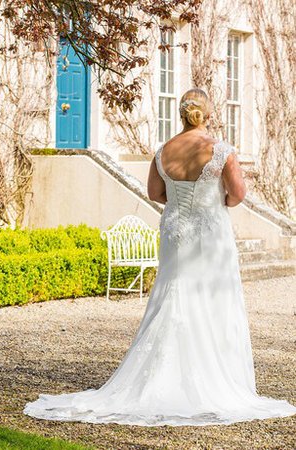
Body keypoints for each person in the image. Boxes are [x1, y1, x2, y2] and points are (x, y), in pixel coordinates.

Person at [23, 88, 296, 426]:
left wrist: (183, 204)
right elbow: (238, 193)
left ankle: (162, 375)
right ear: (208, 115)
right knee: (213, 298)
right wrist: (216, 203)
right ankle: (211, 377)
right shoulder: (221, 150)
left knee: (172, 295)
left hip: (175, 231)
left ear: (182, 114)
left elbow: (155, 193)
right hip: (210, 234)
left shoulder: (162, 151)